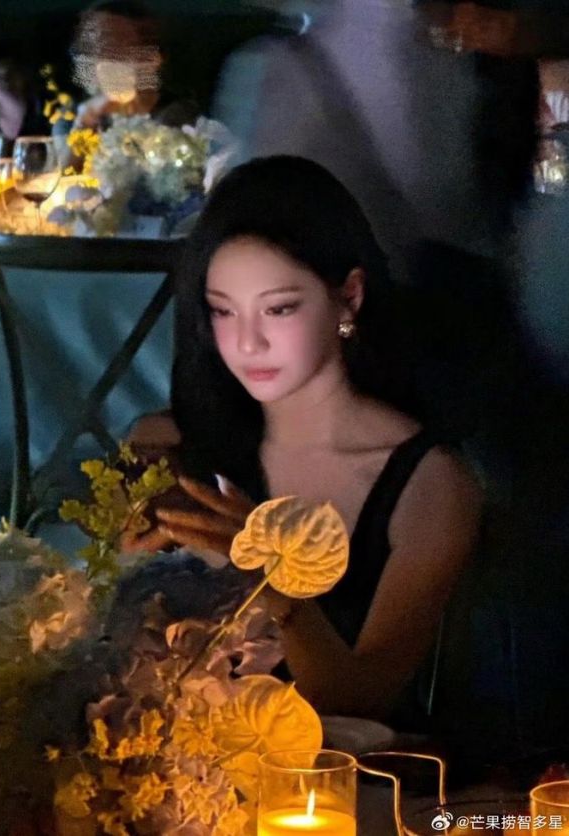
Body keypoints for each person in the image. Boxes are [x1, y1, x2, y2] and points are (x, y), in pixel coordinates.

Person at [124, 155, 482, 724]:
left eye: (279, 309)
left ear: (349, 297)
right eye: (223, 312)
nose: (248, 343)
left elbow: (361, 703)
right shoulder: (171, 446)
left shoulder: (428, 484)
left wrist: (275, 588)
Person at [69, 0, 198, 132]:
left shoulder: (181, 120)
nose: (99, 55)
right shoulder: (73, 115)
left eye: (112, 44)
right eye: (90, 44)